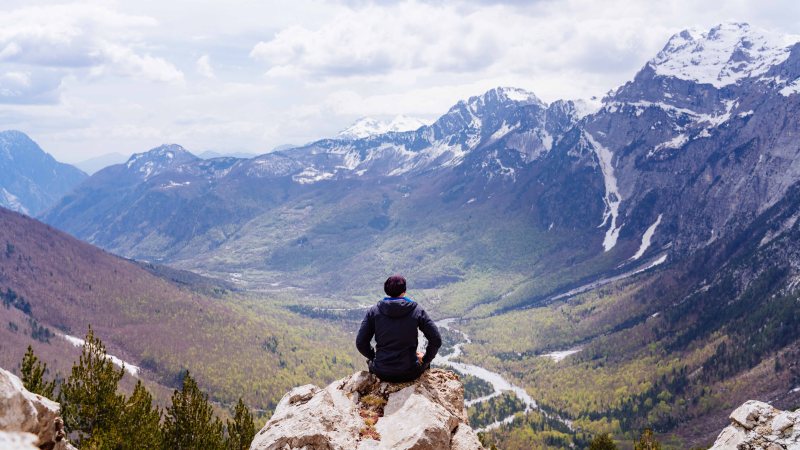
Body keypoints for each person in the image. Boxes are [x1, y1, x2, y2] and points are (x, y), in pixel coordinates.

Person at [356, 275, 442, 382]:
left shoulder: (374, 311)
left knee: (369, 361)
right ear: (404, 291)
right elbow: (436, 339)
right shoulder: (416, 310)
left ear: (386, 290)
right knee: (424, 365)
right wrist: (425, 360)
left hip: (382, 372)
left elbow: (360, 342)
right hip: (410, 372)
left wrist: (375, 357)